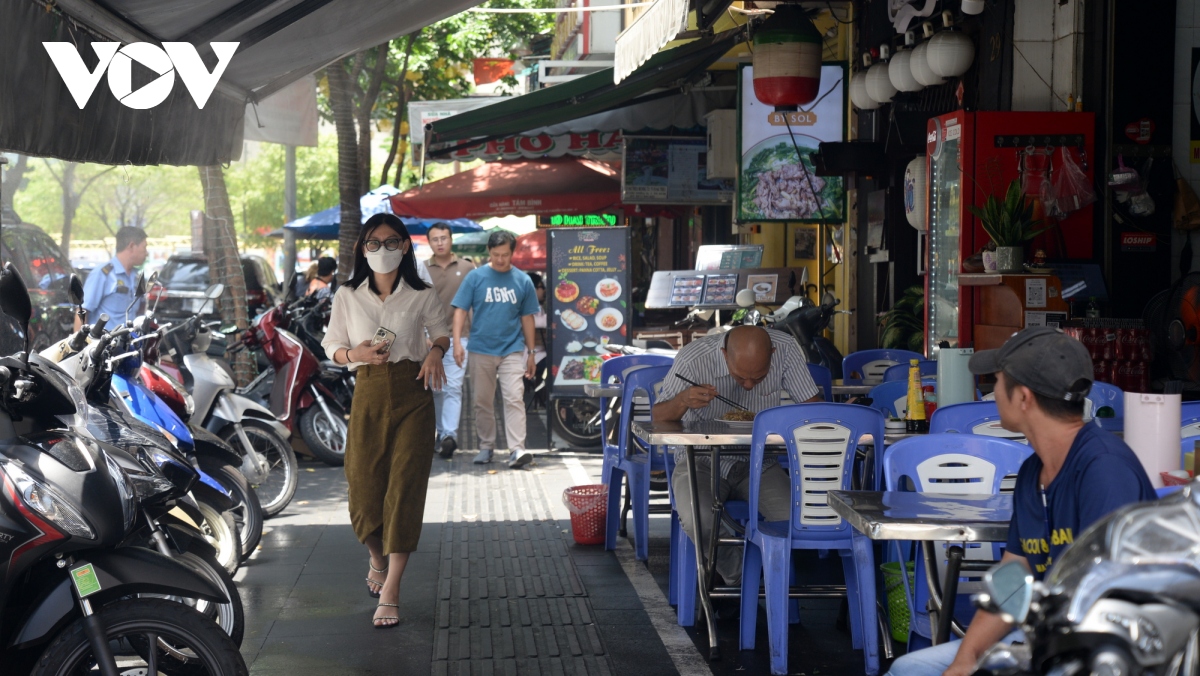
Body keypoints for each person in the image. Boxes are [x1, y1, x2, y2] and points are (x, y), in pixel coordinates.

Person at [885, 327, 1155, 676]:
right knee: (910, 670)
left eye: (997, 381)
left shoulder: (1104, 470)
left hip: (1111, 651)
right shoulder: (1033, 472)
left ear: (1024, 397)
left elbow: (1107, 602)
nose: (992, 391)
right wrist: (966, 659)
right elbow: (1014, 578)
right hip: (1045, 637)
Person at [320, 213, 449, 629]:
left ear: (406, 246)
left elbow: (441, 331)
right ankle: (375, 555)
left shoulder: (422, 293)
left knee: (405, 489)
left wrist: (435, 351)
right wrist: (353, 355)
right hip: (368, 392)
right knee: (362, 490)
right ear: (362, 248)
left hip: (414, 393)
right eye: (373, 243)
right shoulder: (347, 294)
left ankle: (392, 589)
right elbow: (331, 345)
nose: (382, 250)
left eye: (391, 241)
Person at [654, 325, 821, 585]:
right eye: (740, 376)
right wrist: (682, 401)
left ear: (772, 353)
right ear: (723, 354)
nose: (748, 385)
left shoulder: (786, 349)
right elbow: (657, 417)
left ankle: (752, 580)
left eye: (759, 377)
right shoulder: (693, 359)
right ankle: (740, 577)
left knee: (797, 518)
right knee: (698, 518)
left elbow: (812, 409)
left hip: (759, 462)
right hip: (700, 460)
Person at [451, 230, 539, 469]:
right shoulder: (475, 278)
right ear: (489, 252)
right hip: (481, 349)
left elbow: (528, 318)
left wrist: (531, 353)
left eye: (505, 255)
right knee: (482, 401)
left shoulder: (523, 280)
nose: (500, 259)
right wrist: (457, 342)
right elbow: (460, 310)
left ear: (512, 253)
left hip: (511, 349)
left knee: (514, 398)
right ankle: (486, 446)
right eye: (496, 254)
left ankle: (517, 449)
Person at [425, 223, 476, 459]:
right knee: (436, 389)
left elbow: (475, 304)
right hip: (430, 339)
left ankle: (449, 436)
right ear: (430, 243)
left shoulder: (467, 268)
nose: (440, 243)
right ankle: (440, 433)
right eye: (435, 239)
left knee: (453, 387)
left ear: (451, 240)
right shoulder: (422, 269)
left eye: (444, 238)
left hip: (460, 337)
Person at [78, 226, 148, 330]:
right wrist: (80, 344)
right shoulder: (103, 274)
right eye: (144, 247)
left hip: (130, 342)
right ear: (132, 246)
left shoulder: (138, 277)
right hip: (105, 343)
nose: (147, 253)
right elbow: (82, 312)